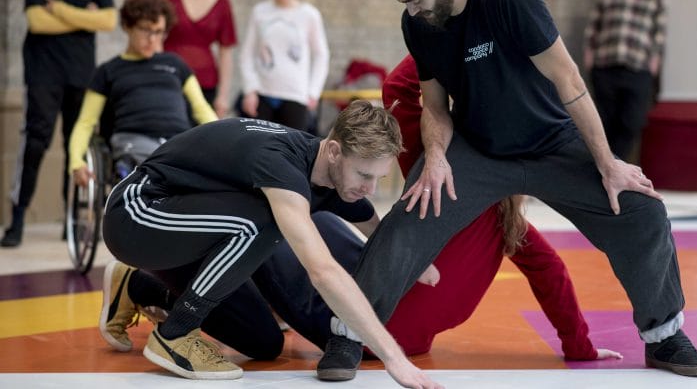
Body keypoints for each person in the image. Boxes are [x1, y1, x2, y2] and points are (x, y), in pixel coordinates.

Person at [317, 0, 697, 380]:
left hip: (552, 142)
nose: (410, 11)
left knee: (641, 210)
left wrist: (607, 164)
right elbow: (435, 106)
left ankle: (664, 336)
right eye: (403, 3)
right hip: (478, 149)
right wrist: (438, 159)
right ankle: (347, 335)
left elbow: (568, 78)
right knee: (409, 218)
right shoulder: (422, 25)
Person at [254, 53, 622, 362]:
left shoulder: (438, 168)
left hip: (349, 329)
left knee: (267, 223)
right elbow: (550, 271)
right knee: (327, 223)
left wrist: (452, 43)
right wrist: (580, 347)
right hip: (410, 341)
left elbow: (397, 88)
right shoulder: (507, 218)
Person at [99, 100, 442, 387]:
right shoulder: (283, 167)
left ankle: (138, 285)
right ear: (335, 151)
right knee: (263, 222)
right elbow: (322, 271)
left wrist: (414, 263)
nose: (370, 188)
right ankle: (174, 334)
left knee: (262, 341)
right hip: (136, 215)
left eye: (378, 179)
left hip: (190, 234)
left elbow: (369, 221)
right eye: (364, 176)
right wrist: (393, 359)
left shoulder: (331, 172)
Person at [3, 0, 116, 248]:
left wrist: (61, 10)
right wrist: (85, 15)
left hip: (81, 75)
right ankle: (18, 218)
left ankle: (70, 222)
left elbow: (109, 20)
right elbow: (36, 21)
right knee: (35, 141)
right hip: (43, 73)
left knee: (75, 148)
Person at [67, 0, 217, 188]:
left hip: (178, 143)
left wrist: (225, 138)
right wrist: (76, 162)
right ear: (128, 27)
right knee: (157, 168)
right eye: (146, 30)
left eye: (159, 31)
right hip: (133, 141)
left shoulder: (176, 64)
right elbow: (86, 121)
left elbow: (201, 109)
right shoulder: (108, 71)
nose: (153, 39)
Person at [583, 0, 666, 162]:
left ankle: (616, 164)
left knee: (632, 121)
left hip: (638, 67)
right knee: (603, 121)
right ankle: (602, 168)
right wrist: (589, 52)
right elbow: (594, 25)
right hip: (605, 65)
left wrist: (655, 58)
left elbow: (659, 31)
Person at [237, 0, 330, 131]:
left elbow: (321, 55)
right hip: (262, 94)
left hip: (296, 95)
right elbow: (247, 54)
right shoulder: (260, 12)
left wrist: (313, 92)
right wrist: (250, 90)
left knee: (292, 150)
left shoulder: (309, 14)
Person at [158, 0, 237, 118]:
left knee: (202, 139)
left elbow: (226, 52)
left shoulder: (222, 3)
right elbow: (152, 34)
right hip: (169, 77)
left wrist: (223, 95)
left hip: (206, 83)